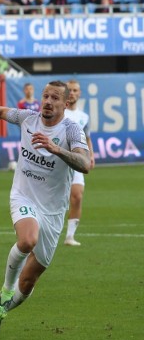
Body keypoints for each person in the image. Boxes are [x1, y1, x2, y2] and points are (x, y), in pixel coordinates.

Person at [0, 81, 91, 338]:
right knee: (27, 240)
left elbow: (85, 163)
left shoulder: (72, 130)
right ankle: (5, 291)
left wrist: (56, 148)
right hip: (23, 195)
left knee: (28, 282)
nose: (47, 101)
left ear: (65, 104)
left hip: (54, 210)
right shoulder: (27, 118)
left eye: (55, 98)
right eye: (45, 95)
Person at [64, 79, 95, 246]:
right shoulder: (59, 112)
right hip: (58, 161)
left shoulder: (83, 117)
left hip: (77, 161)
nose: (73, 93)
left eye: (75, 90)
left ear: (79, 93)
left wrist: (91, 155)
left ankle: (70, 236)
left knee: (77, 197)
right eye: (70, 90)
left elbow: (87, 137)